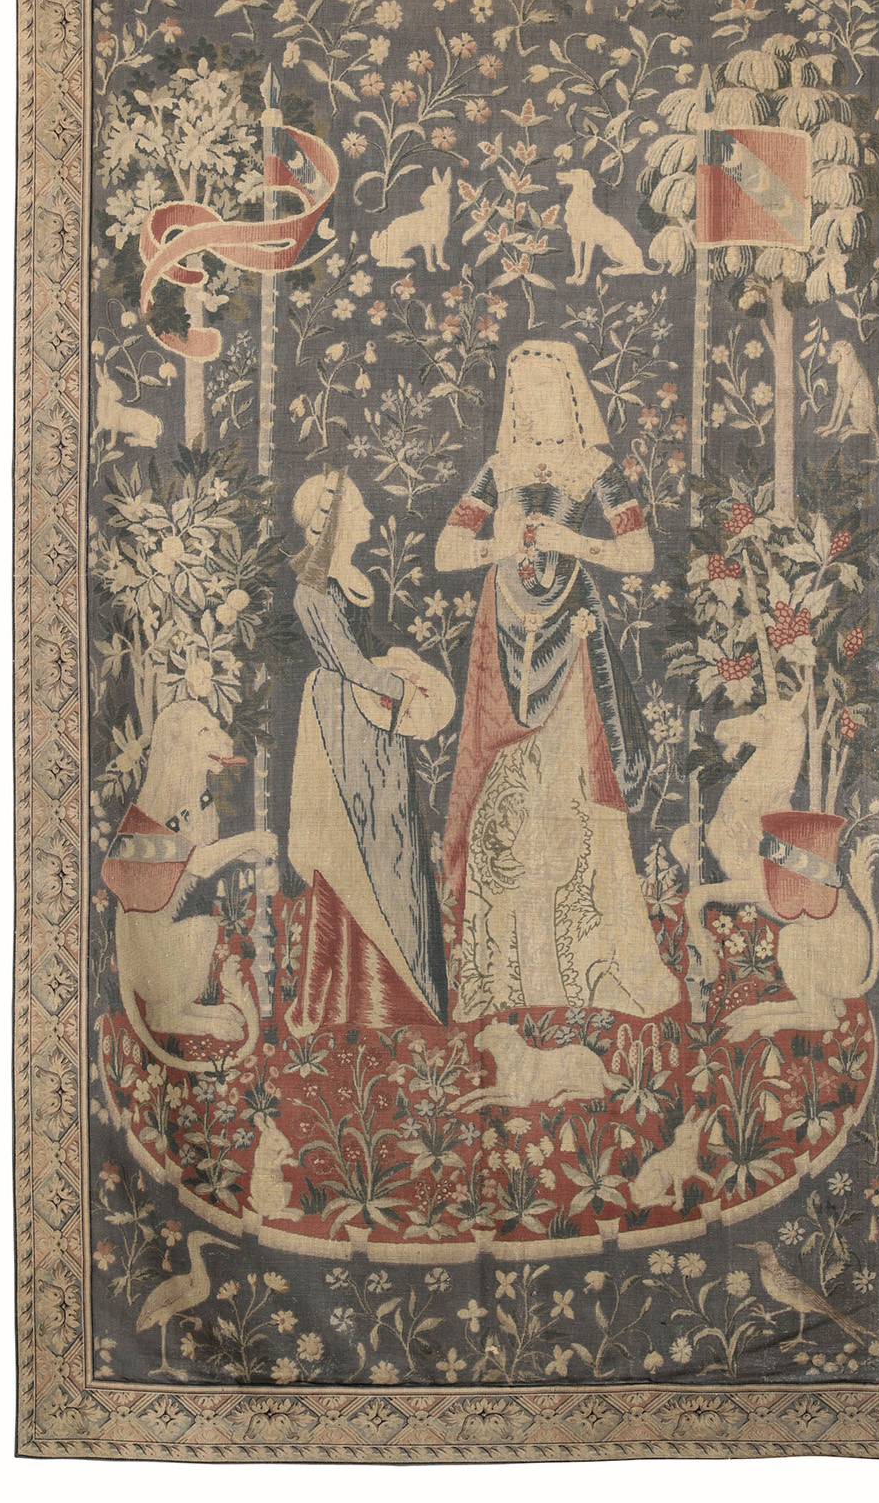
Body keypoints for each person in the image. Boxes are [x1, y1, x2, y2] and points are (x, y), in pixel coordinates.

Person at [435, 340, 683, 1020]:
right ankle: (501, 977)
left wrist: (572, 542)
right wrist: (505, 544)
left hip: (571, 635)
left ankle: (581, 968)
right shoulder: (499, 467)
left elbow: (640, 552)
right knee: (504, 793)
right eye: (523, 390)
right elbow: (447, 550)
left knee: (568, 789)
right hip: (503, 632)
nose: (532, 401)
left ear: (571, 394)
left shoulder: (595, 467)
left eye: (546, 388)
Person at [284, 468, 448, 1033]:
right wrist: (408, 689)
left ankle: (404, 995)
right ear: (332, 521)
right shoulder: (312, 590)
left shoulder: (349, 580)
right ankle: (353, 999)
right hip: (343, 722)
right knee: (356, 847)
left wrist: (405, 669)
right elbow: (350, 664)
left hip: (374, 721)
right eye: (359, 509)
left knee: (394, 841)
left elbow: (370, 649)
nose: (370, 517)